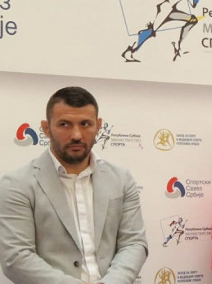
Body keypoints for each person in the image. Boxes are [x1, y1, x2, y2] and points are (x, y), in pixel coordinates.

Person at [0, 86, 148, 284]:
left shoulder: (121, 179)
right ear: (46, 128)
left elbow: (134, 243)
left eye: (85, 124)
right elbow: (16, 258)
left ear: (98, 125)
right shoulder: (17, 184)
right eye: (65, 124)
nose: (77, 134)